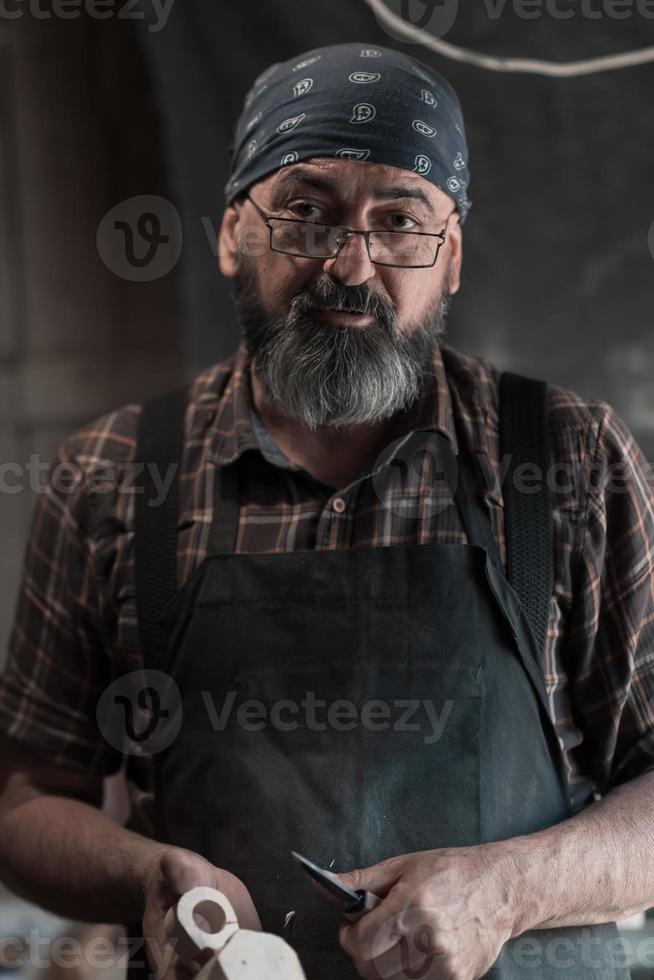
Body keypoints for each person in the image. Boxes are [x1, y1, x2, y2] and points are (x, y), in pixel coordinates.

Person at [0, 40, 652, 980]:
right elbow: (26, 801)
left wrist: (508, 889)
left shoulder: (570, 459)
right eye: (306, 212)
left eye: (400, 219)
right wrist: (143, 874)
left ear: (453, 254)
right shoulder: (110, 476)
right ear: (232, 233)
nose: (351, 265)